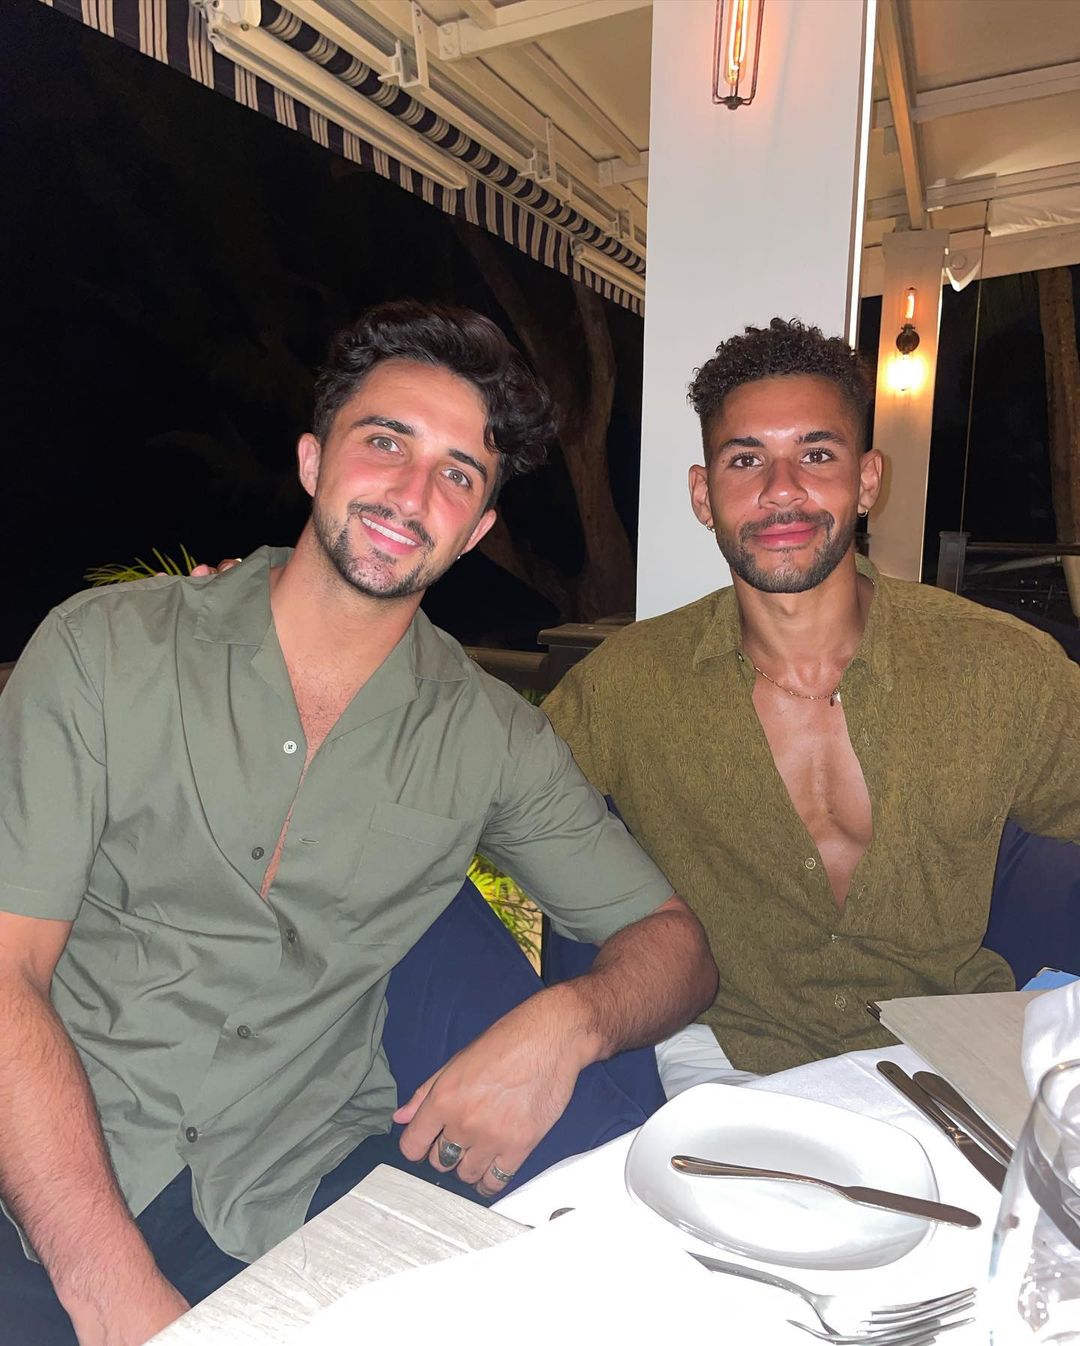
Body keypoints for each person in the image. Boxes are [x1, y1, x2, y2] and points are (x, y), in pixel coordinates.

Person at [0, 302, 717, 1346]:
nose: (413, 495)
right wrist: (111, 1284)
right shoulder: (107, 653)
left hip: (290, 1193)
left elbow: (678, 948)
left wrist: (569, 1022)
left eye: (458, 475)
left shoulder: (488, 736)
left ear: (477, 530)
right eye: (386, 442)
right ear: (312, 460)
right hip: (43, 1175)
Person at [543, 317, 1080, 1090]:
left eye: (817, 454)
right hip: (731, 1062)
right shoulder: (624, 686)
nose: (781, 489)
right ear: (703, 495)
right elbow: (483, 799)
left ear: (868, 480)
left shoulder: (1001, 668)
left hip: (951, 1057)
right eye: (745, 459)